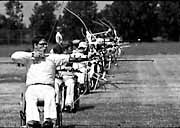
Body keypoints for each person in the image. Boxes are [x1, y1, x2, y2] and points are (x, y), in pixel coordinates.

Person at [11, 35, 75, 128]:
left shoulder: (52, 57)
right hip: (32, 87)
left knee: (50, 95)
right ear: (35, 45)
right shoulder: (28, 58)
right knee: (29, 96)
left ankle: (49, 121)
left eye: (46, 44)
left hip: (47, 87)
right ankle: (33, 121)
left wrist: (87, 56)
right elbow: (14, 56)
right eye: (42, 44)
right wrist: (32, 55)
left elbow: (68, 57)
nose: (45, 46)